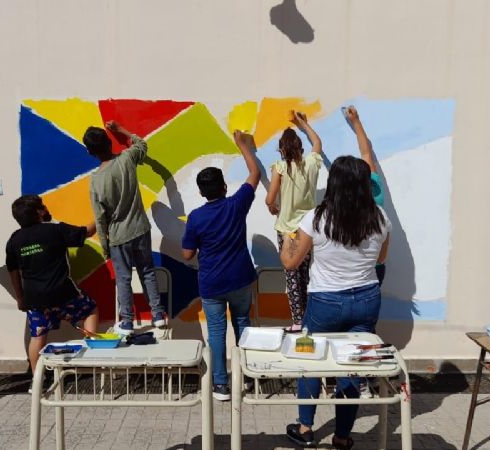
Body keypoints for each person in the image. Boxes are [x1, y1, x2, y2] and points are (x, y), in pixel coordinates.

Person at [279, 156, 391, 449]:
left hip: (325, 301)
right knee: (351, 366)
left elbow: (291, 263)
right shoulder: (379, 217)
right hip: (367, 298)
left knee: (310, 359)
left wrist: (290, 236)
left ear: (334, 184)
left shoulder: (316, 217)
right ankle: (342, 436)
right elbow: (380, 259)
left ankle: (305, 428)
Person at [181, 131, 260, 401]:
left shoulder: (196, 217)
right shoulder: (237, 205)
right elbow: (254, 175)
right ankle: (247, 375)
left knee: (216, 332)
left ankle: (221, 385)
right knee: (243, 325)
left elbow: (188, 253)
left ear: (202, 193)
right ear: (225, 187)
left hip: (212, 284)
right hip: (240, 278)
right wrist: (243, 147)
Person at [83, 121, 166, 335]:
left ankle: (127, 322)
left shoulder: (95, 181)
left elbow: (100, 219)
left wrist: (104, 245)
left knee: (124, 278)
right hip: (140, 227)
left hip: (118, 236)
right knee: (147, 272)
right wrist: (121, 131)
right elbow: (142, 145)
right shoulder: (126, 159)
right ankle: (158, 315)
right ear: (109, 142)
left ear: (90, 152)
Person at [5, 195, 100, 380]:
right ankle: (92, 357)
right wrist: (100, 215)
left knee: (38, 336)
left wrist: (20, 297)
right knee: (91, 310)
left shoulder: (14, 240)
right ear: (38, 212)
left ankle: (36, 379)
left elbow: (13, 271)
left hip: (34, 299)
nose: (46, 208)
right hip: (63, 293)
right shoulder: (54, 231)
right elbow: (86, 232)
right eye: (42, 206)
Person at [265, 111, 323, 332]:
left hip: (286, 230)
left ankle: (298, 321)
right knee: (306, 273)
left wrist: (273, 207)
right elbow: (317, 142)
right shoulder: (311, 163)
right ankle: (308, 317)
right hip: (307, 229)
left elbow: (270, 199)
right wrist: (302, 124)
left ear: (282, 150)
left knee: (292, 277)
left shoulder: (279, 167)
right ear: (301, 148)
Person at [343, 105, 387, 285]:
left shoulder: (347, 206)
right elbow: (366, 152)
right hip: (375, 267)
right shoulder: (376, 192)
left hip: (353, 269)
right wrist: (356, 122)